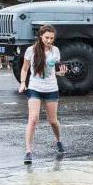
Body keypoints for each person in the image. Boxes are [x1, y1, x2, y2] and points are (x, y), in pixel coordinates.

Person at [18, 25, 67, 164]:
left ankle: (59, 141)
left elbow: (55, 70)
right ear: (40, 36)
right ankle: (28, 152)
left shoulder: (55, 51)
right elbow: (25, 68)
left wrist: (61, 73)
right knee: (33, 119)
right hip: (35, 88)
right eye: (47, 38)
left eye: (52, 38)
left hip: (51, 89)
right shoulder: (31, 50)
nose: (49, 40)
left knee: (53, 121)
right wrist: (23, 82)